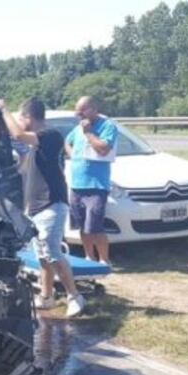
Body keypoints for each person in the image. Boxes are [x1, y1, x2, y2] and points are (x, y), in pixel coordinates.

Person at [0, 97, 85, 317]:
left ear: (28, 116)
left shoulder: (50, 135)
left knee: (53, 253)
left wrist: (4, 110)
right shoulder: (34, 148)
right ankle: (47, 297)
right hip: (36, 209)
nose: (18, 122)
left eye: (20, 117)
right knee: (43, 257)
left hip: (51, 204)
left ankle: (75, 296)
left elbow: (18, 134)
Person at [65, 95, 118, 266]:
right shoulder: (78, 128)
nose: (78, 114)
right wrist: (72, 154)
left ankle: (104, 259)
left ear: (94, 109)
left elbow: (103, 149)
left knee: (95, 226)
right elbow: (67, 141)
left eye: (82, 110)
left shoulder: (107, 126)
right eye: (76, 110)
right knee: (82, 227)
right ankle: (89, 257)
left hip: (96, 185)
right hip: (77, 184)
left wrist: (88, 132)